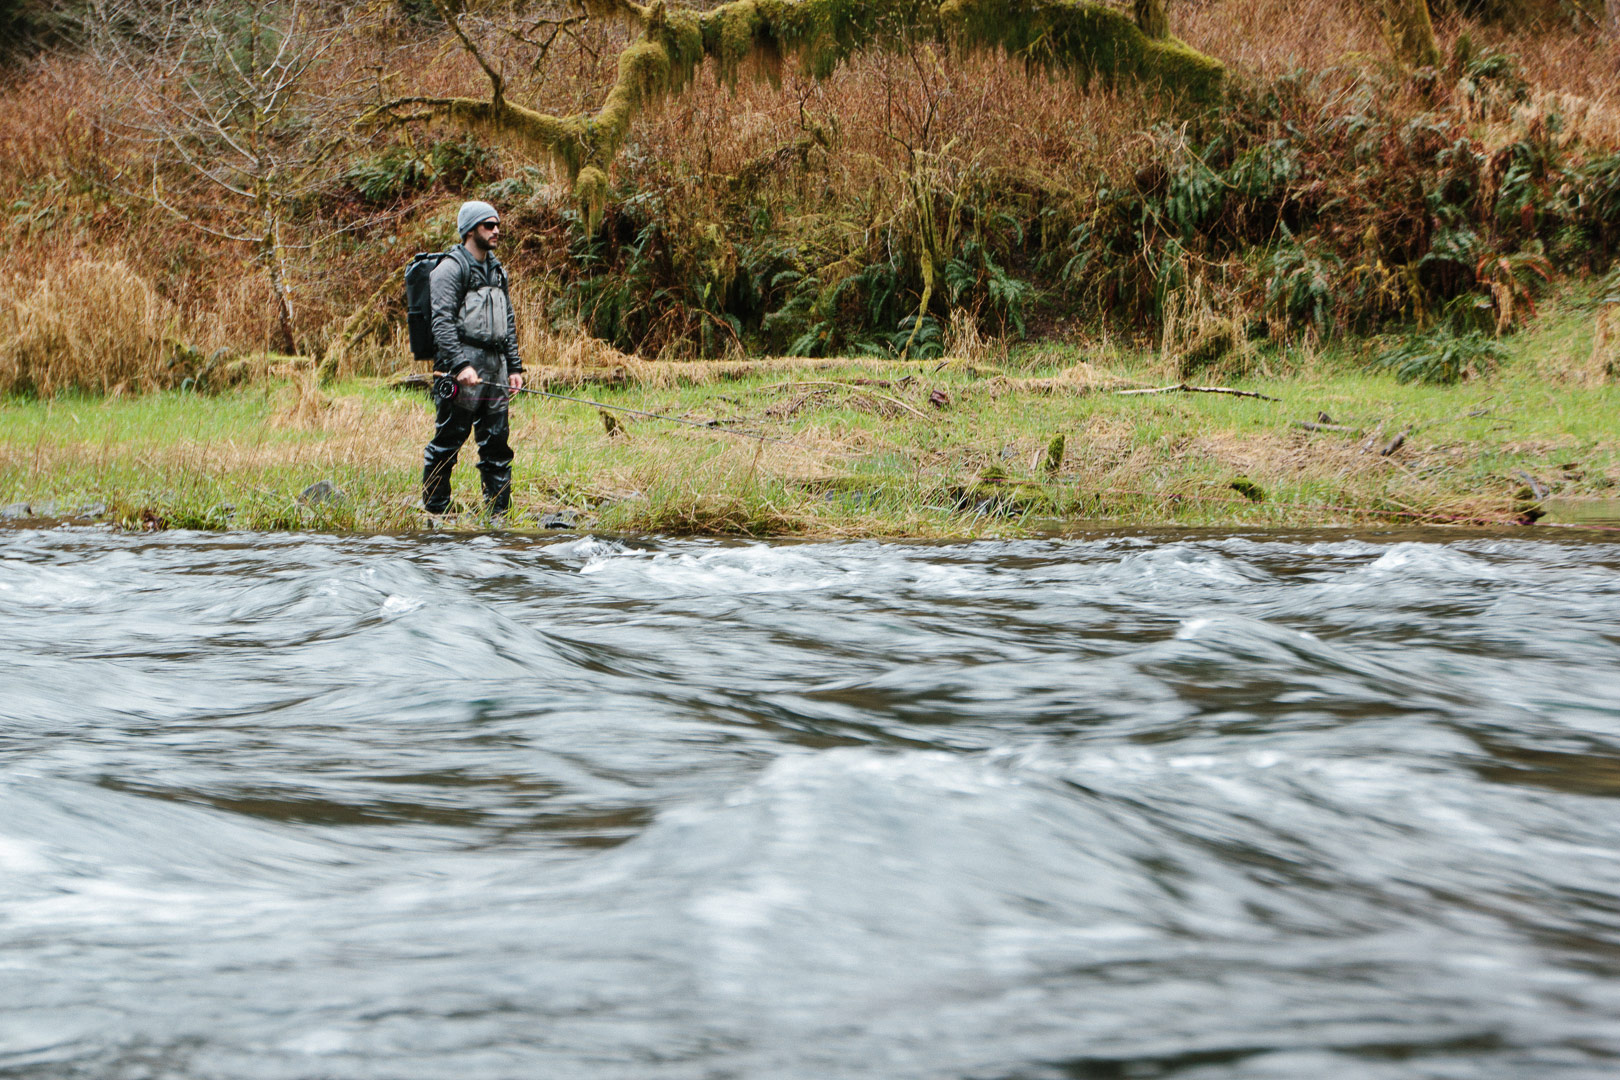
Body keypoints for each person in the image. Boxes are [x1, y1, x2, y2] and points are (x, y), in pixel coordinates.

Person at [422, 200, 525, 517]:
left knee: (497, 446)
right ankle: (436, 514)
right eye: (488, 225)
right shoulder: (450, 269)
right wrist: (460, 365)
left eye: (497, 225)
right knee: (447, 443)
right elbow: (440, 322)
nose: (496, 230)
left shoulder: (497, 270)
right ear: (470, 230)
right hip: (460, 370)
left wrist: (515, 368)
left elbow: (507, 319)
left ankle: (499, 517)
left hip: (496, 366)